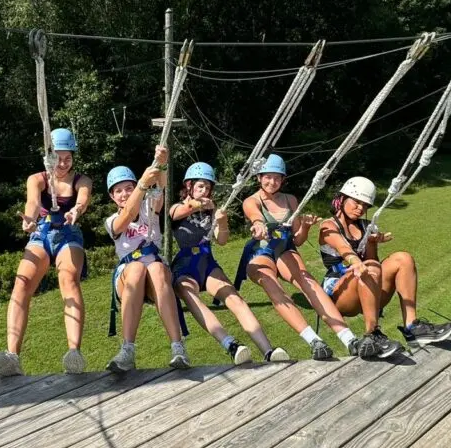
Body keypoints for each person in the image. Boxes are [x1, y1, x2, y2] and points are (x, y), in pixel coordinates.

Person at [235, 154, 399, 360]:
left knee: (309, 282)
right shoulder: (252, 200)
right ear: (259, 177)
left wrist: (304, 226)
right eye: (267, 177)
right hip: (261, 250)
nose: (272, 182)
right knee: (272, 285)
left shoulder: (291, 200)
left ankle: (349, 339)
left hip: (285, 248)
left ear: (283, 179)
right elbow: (254, 215)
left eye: (277, 178)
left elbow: (298, 239)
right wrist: (259, 224)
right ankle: (314, 341)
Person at [0, 128, 92, 378]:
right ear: (48, 157)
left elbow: (83, 200)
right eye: (58, 157)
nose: (63, 163)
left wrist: (75, 211)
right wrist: (29, 219)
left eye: (68, 158)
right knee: (21, 284)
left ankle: (74, 352)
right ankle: (12, 355)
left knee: (68, 278)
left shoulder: (82, 180)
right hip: (42, 232)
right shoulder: (37, 179)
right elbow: (33, 202)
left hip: (68, 233)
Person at [170, 162, 290, 364]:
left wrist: (222, 221)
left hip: (207, 262)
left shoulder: (212, 210)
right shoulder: (176, 207)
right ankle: (231, 345)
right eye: (200, 186)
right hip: (184, 265)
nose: (205, 191)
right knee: (191, 297)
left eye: (208, 188)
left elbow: (222, 240)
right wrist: (199, 204)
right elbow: (179, 212)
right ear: (188, 186)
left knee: (235, 299)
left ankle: (268, 350)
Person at [319, 176, 451, 348]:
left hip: (366, 283)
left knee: (403, 258)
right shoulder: (328, 226)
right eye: (356, 202)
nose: (361, 208)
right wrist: (355, 260)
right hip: (340, 291)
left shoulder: (366, 227)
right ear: (342, 198)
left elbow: (374, 267)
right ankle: (372, 334)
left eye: (365, 205)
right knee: (370, 266)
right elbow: (341, 246)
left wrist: (371, 243)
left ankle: (412, 327)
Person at [104, 145, 190, 373]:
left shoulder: (148, 208)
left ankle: (177, 346)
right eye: (119, 191)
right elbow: (126, 218)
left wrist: (161, 162)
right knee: (135, 269)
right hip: (129, 277)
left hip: (154, 275)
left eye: (128, 189)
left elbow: (160, 187)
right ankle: (127, 349)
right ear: (112, 197)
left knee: (156, 268)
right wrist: (141, 184)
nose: (124, 194)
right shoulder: (112, 220)